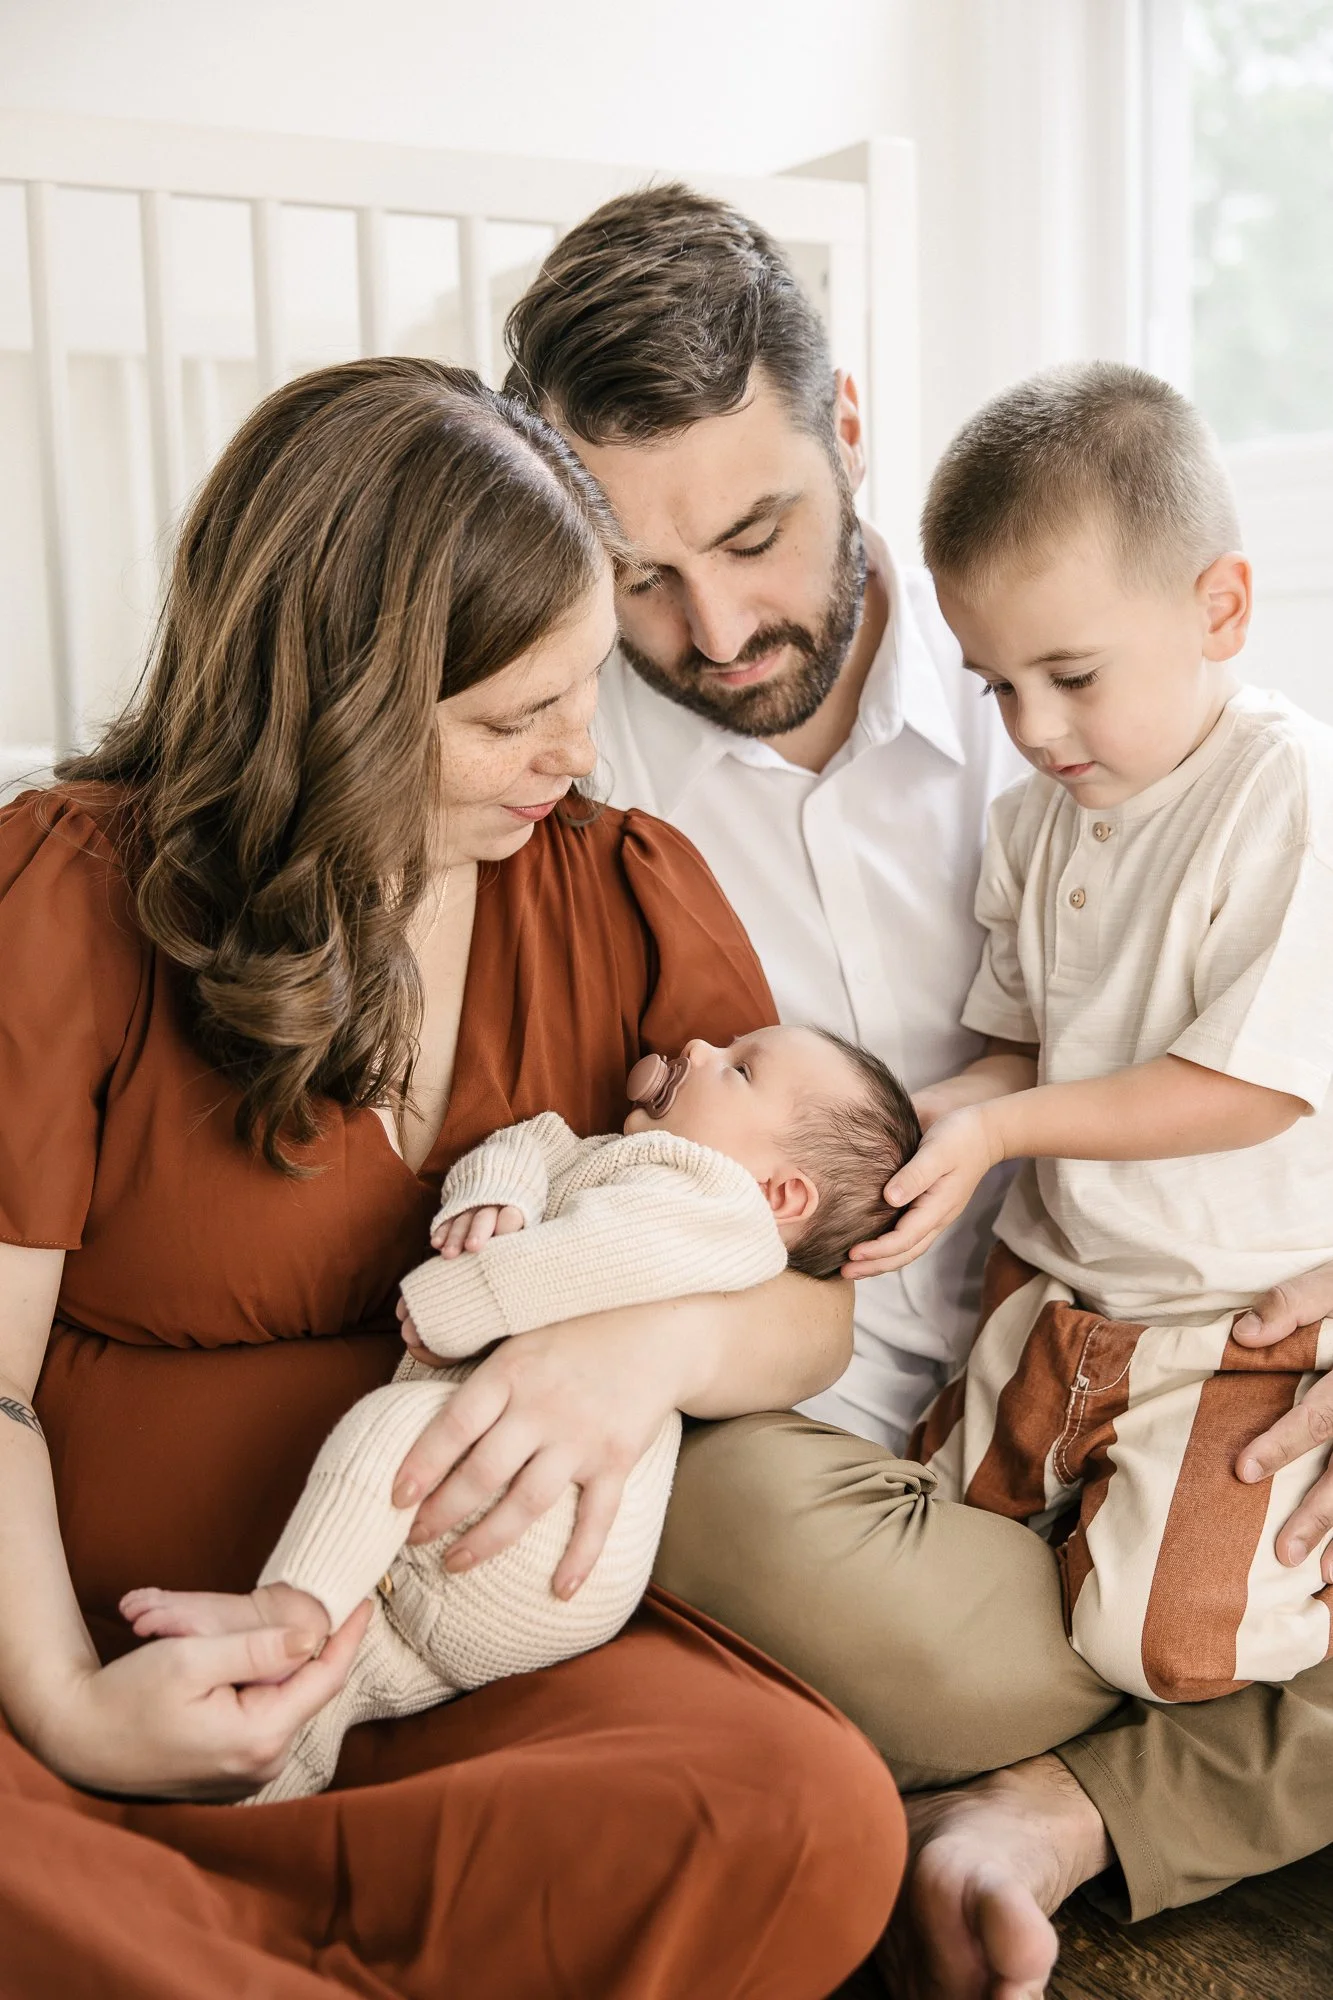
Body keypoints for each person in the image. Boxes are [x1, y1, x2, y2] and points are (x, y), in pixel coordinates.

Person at [504, 186, 1333, 1998]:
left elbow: (1278, 1036)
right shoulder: (570, 785)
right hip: (881, 1465)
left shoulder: (1076, 679)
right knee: (704, 1521)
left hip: (1198, 1335)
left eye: (754, 533)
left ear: (848, 429)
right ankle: (1121, 1757)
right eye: (638, 572)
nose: (712, 626)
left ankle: (1062, 1806)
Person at [0, 356, 904, 1999]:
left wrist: (652, 1347)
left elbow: (804, 1302)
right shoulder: (70, 890)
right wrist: (68, 1700)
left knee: (804, 1815)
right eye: (506, 717)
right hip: (70, 1676)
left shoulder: (623, 890)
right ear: (330, 698)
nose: (570, 749)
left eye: (579, 689)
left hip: (446, 1668)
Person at [121, 1023, 919, 1805]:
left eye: (740, 1069)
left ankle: (284, 1612)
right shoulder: (613, 1156)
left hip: (544, 1531)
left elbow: (590, 1256)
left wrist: (453, 1302)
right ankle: (234, 1821)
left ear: (782, 1194)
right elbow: (530, 1141)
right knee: (326, 1687)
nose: (701, 1048)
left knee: (393, 1431)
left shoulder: (719, 1211)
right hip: (500, 1545)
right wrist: (493, 1194)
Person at [876, 362, 1333, 1703]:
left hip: (1229, 1313)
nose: (1031, 728)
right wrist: (929, 1123)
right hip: (1051, 1287)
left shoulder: (1280, 793)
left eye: (1069, 676)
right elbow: (1025, 1051)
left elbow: (1244, 1093)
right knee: (932, 1549)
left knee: (1160, 1646)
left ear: (1220, 608)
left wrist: (1005, 1125)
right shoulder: (1031, 824)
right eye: (994, 687)